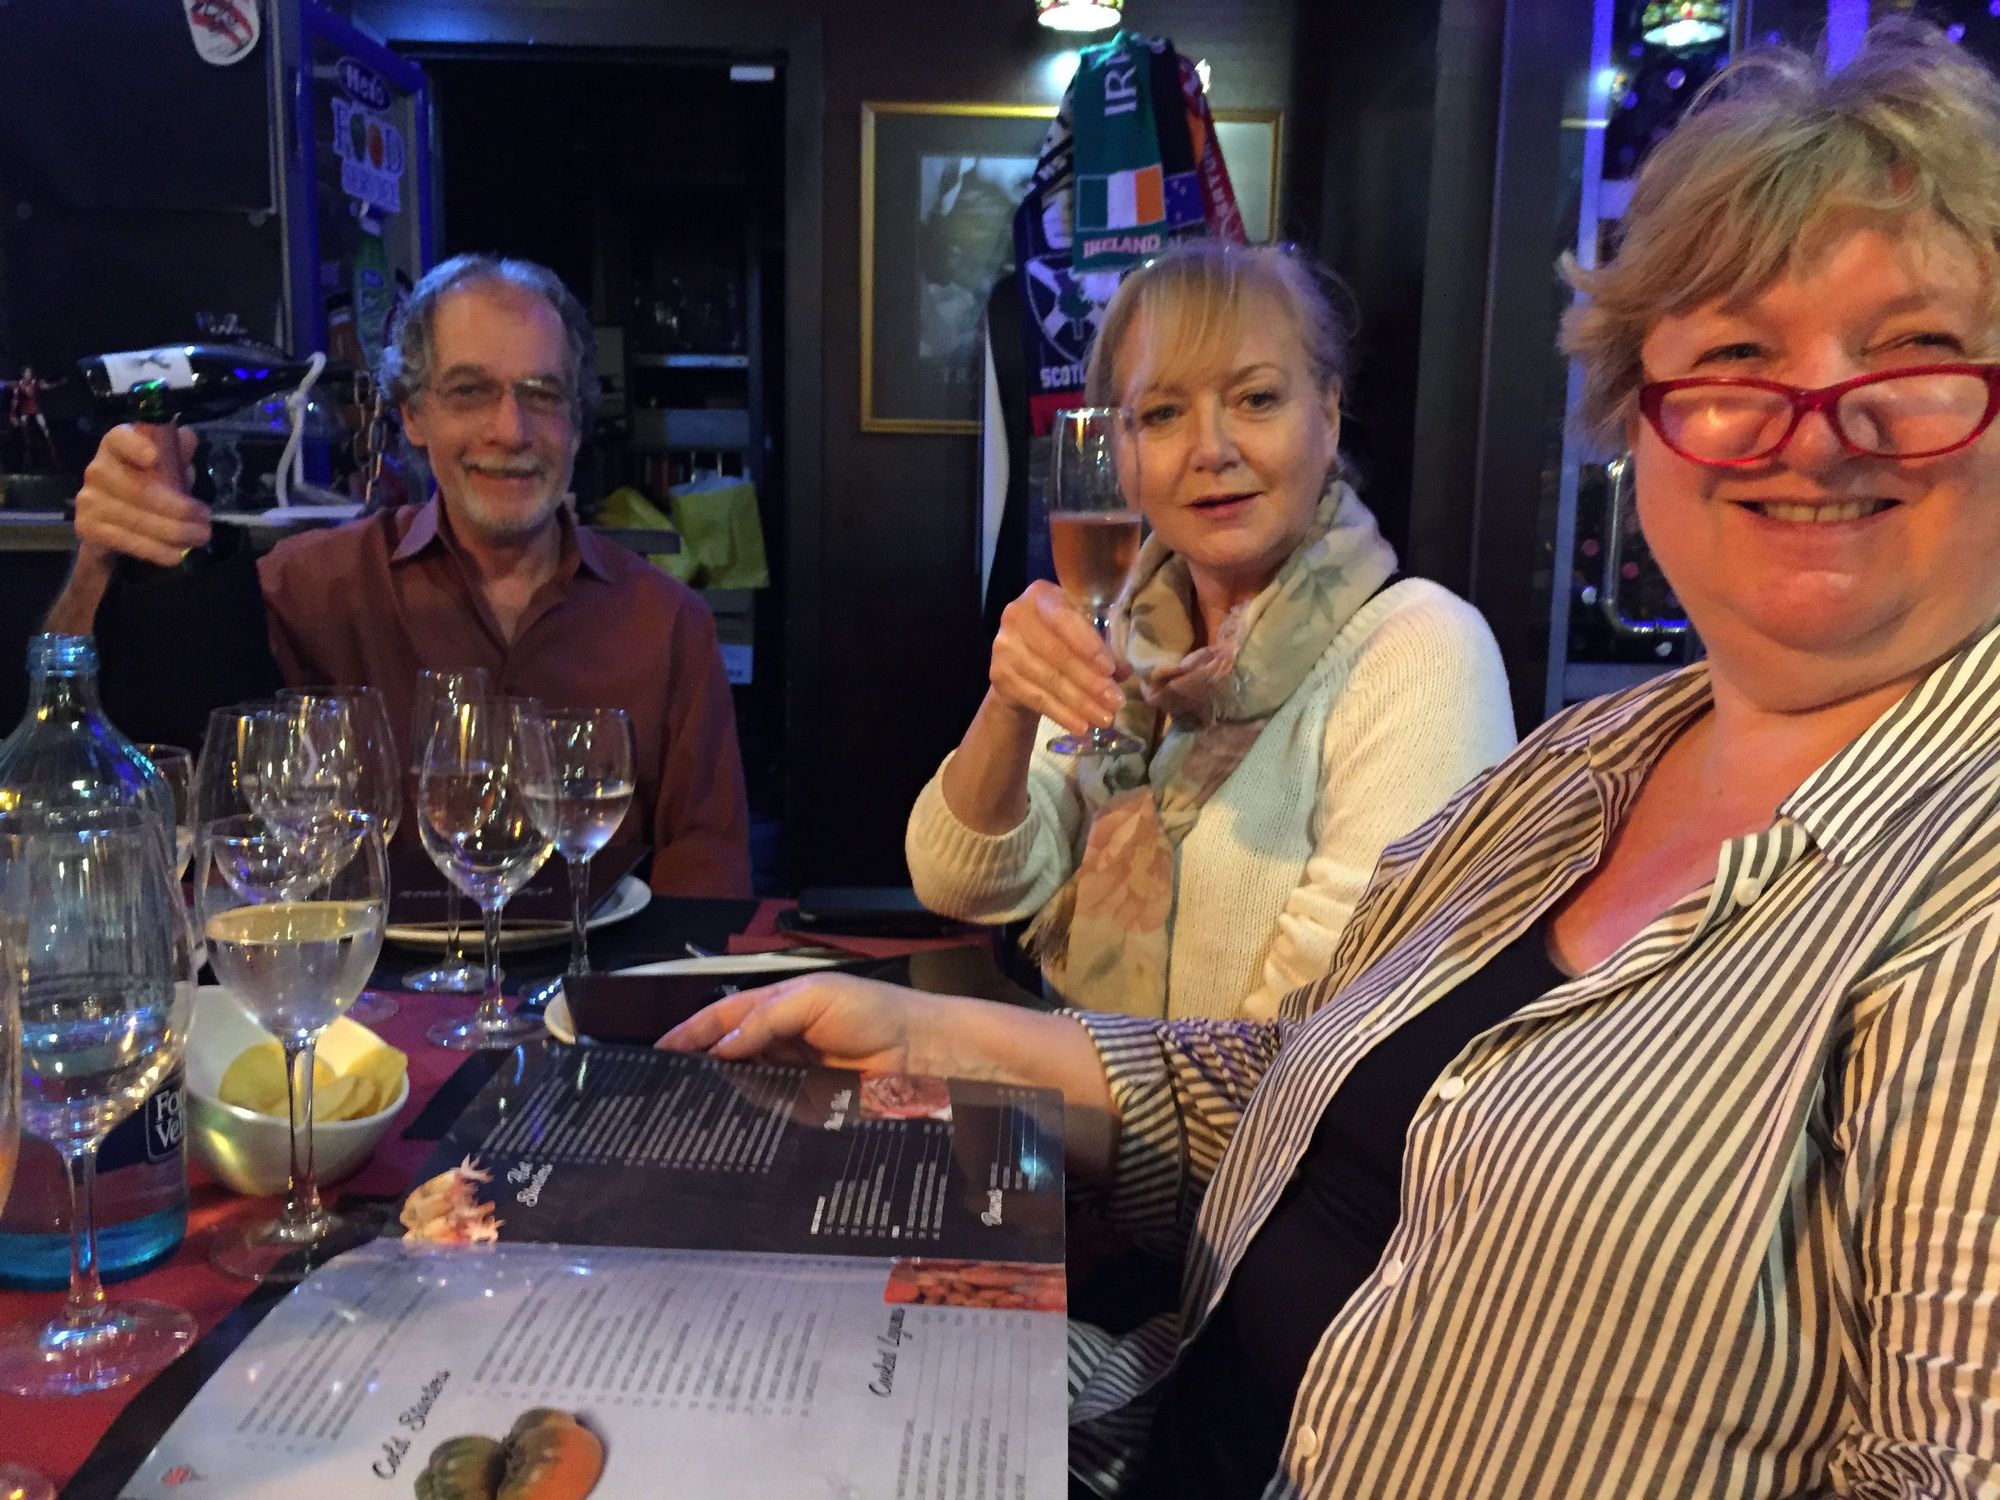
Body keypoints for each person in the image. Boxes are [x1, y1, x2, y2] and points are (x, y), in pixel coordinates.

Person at [666, 22, 2000, 1496]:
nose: (1817, 429)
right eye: (1738, 357)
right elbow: (1320, 1081)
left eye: (1915, 353)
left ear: (1328, 418)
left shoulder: (1947, 882)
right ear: (1640, 413)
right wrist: (938, 1036)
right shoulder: (1585, 760)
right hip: (1152, 1403)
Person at [907, 242, 1514, 1021]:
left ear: (1328, 416)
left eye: (1256, 399)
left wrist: (1012, 1057)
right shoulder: (1128, 635)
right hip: (1077, 1092)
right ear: (1122, 452)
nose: (1212, 450)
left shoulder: (1422, 651)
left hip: (1226, 1107)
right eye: (1163, 414)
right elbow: (962, 883)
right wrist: (1009, 704)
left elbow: (1324, 1039)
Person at [45, 253, 751, 898]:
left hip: (592, 987)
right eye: (470, 391)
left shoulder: (666, 623)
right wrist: (99, 562)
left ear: (577, 421)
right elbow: (73, 749)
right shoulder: (309, 588)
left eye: (542, 394)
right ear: (413, 414)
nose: (511, 431)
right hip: (364, 991)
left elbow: (705, 888)